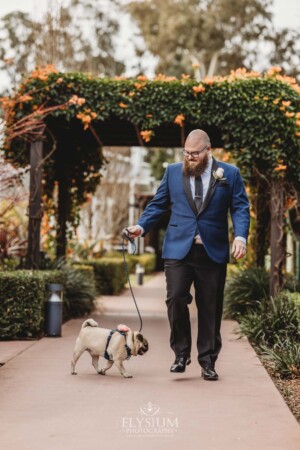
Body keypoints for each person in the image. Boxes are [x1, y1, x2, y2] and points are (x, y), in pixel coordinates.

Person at [126, 129, 250, 381]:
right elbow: (158, 204)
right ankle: (181, 354)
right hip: (178, 249)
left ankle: (208, 361)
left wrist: (240, 236)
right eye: (186, 153)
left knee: (210, 307)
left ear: (208, 150)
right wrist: (141, 226)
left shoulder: (230, 174)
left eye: (194, 153)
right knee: (175, 299)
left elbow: (239, 207)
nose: (189, 158)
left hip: (212, 250)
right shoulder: (172, 171)